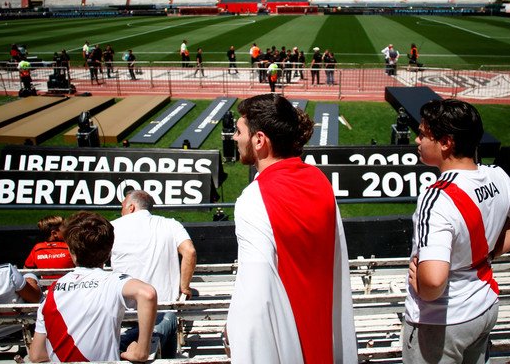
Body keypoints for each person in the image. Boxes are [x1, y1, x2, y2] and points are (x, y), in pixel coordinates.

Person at [403, 99, 510, 364]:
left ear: (446, 142)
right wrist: (488, 253)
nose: (417, 139)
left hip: (442, 321)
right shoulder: (497, 176)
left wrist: (422, 288)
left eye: (423, 134)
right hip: (485, 307)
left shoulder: (436, 197)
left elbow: (434, 281)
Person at [226, 94, 356, 363]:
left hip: (285, 347)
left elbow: (255, 296)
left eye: (239, 132)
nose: (235, 138)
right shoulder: (319, 181)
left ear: (259, 140)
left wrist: (236, 337)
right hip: (325, 337)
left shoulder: (253, 198)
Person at [29, 211, 158, 363]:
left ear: (71, 250)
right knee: (166, 322)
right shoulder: (113, 281)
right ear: (109, 251)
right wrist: (141, 351)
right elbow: (147, 294)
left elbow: (36, 356)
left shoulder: (51, 293)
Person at [111, 190, 197, 359]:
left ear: (131, 207)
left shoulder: (112, 226)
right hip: (162, 309)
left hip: (122, 311)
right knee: (169, 322)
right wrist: (184, 287)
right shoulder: (171, 224)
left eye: (122, 206)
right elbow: (190, 251)